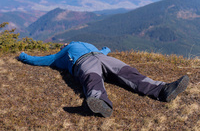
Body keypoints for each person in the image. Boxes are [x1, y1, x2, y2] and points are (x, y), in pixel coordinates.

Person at [18, 41, 189, 118]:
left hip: (101, 56)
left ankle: (163, 90)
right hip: (83, 62)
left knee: (129, 73)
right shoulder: (63, 54)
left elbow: (103, 51)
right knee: (92, 80)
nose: (65, 43)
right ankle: (101, 103)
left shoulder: (86, 45)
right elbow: (43, 60)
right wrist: (24, 56)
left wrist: (104, 49)